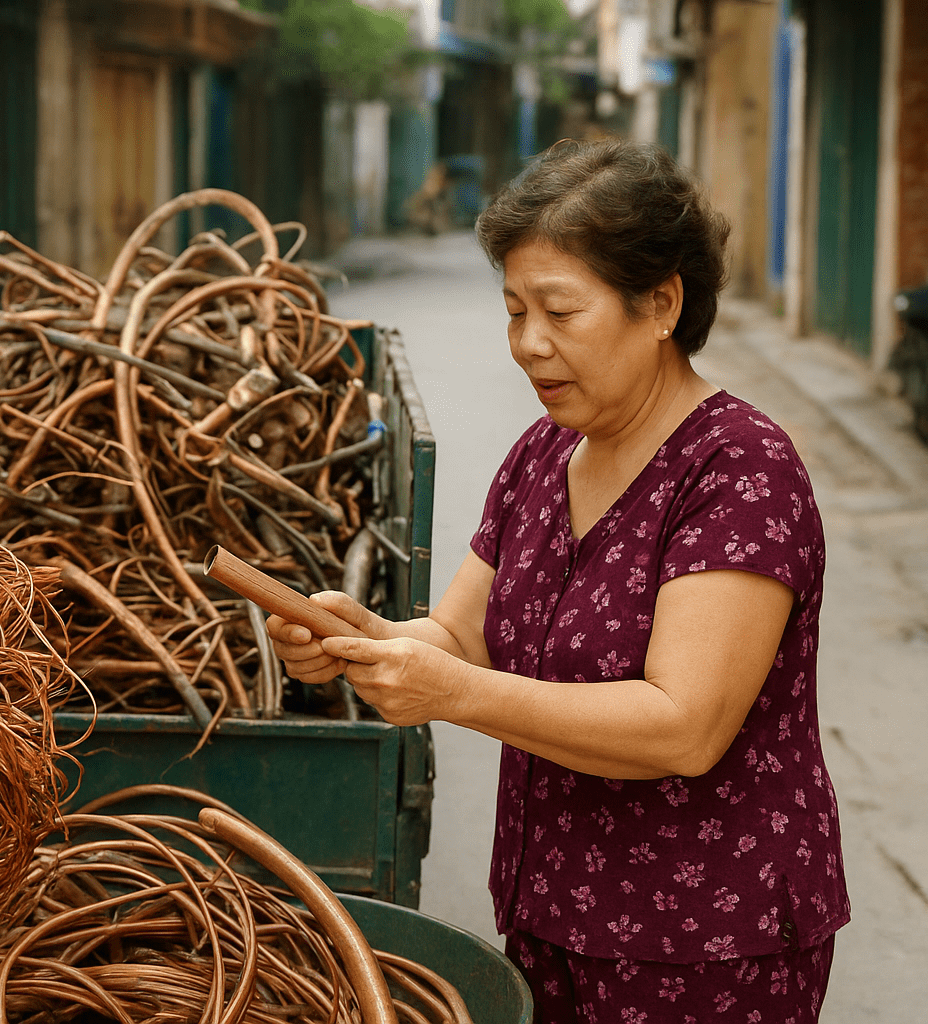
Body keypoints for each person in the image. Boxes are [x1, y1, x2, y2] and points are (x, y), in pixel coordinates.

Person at [268, 139, 848, 1023]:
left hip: (707, 939)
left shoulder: (739, 468)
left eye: (561, 312)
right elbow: (460, 636)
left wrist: (452, 693)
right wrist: (367, 642)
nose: (528, 344)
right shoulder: (544, 453)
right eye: (514, 311)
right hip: (552, 912)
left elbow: (684, 727)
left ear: (662, 304)